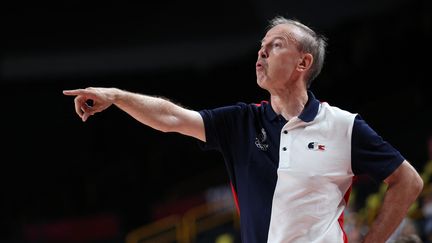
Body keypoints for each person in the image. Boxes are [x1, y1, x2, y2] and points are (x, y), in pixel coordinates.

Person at [63, 16, 423, 243]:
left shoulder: (343, 127)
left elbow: (408, 182)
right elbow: (172, 117)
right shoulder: (241, 122)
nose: (261, 54)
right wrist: (116, 96)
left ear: (304, 62)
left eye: (275, 45)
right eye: (260, 47)